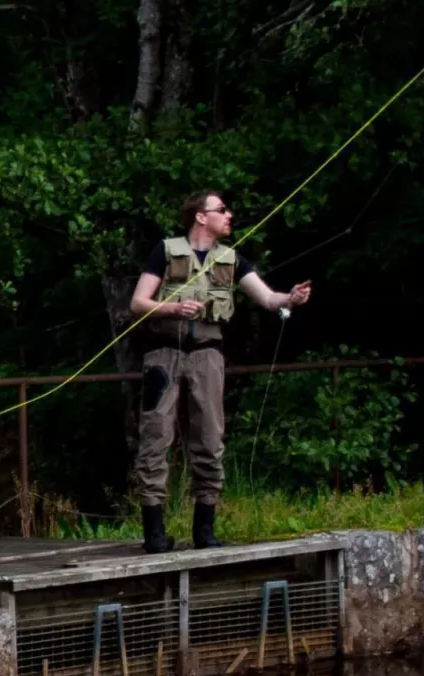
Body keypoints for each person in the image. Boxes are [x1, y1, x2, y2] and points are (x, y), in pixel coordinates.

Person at [129, 191, 312, 552]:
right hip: (163, 356)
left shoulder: (232, 259)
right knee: (155, 438)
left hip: (208, 357)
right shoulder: (164, 251)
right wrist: (172, 309)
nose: (229, 215)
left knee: (210, 440)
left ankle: (205, 531)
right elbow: (138, 302)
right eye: (222, 210)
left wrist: (290, 298)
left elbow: (268, 298)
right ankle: (154, 534)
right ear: (200, 216)